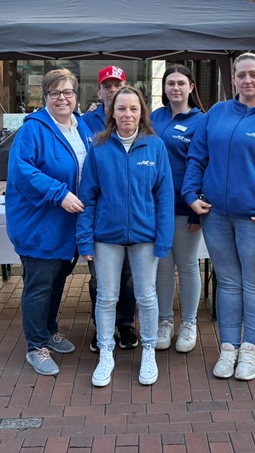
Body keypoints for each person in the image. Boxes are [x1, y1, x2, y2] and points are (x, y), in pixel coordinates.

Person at [182, 53, 255, 381]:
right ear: (233, 79)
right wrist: (191, 195)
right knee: (229, 283)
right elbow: (197, 156)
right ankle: (229, 347)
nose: (247, 80)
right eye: (241, 75)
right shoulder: (216, 113)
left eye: (253, 75)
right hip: (216, 216)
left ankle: (251, 350)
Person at [77, 87, 174, 387]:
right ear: (112, 113)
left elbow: (165, 197)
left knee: (146, 295)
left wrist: (164, 239)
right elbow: (88, 196)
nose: (127, 114)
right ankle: (106, 351)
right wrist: (84, 239)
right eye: (121, 109)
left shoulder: (155, 146)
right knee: (107, 296)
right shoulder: (99, 147)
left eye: (133, 109)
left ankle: (148, 350)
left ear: (142, 112)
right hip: (106, 236)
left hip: (145, 236)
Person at [5, 69, 93, 376]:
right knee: (39, 285)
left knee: (57, 281)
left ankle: (49, 330)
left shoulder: (80, 127)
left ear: (76, 95)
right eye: (55, 93)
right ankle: (36, 345)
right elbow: (21, 172)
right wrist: (59, 194)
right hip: (40, 223)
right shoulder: (33, 130)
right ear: (45, 97)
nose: (62, 98)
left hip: (68, 225)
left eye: (68, 92)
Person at [82, 66, 138, 351]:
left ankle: (125, 323)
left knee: (127, 276)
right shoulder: (85, 122)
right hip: (100, 217)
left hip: (129, 218)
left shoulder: (135, 118)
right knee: (99, 280)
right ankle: (101, 327)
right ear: (100, 90)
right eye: (107, 85)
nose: (112, 89)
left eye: (117, 84)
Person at [150, 65, 205, 353]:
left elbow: (203, 165)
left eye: (181, 83)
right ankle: (164, 321)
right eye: (170, 83)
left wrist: (197, 210)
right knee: (162, 264)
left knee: (186, 264)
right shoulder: (153, 117)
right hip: (154, 207)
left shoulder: (200, 121)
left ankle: (189, 323)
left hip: (185, 207)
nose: (175, 88)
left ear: (191, 87)